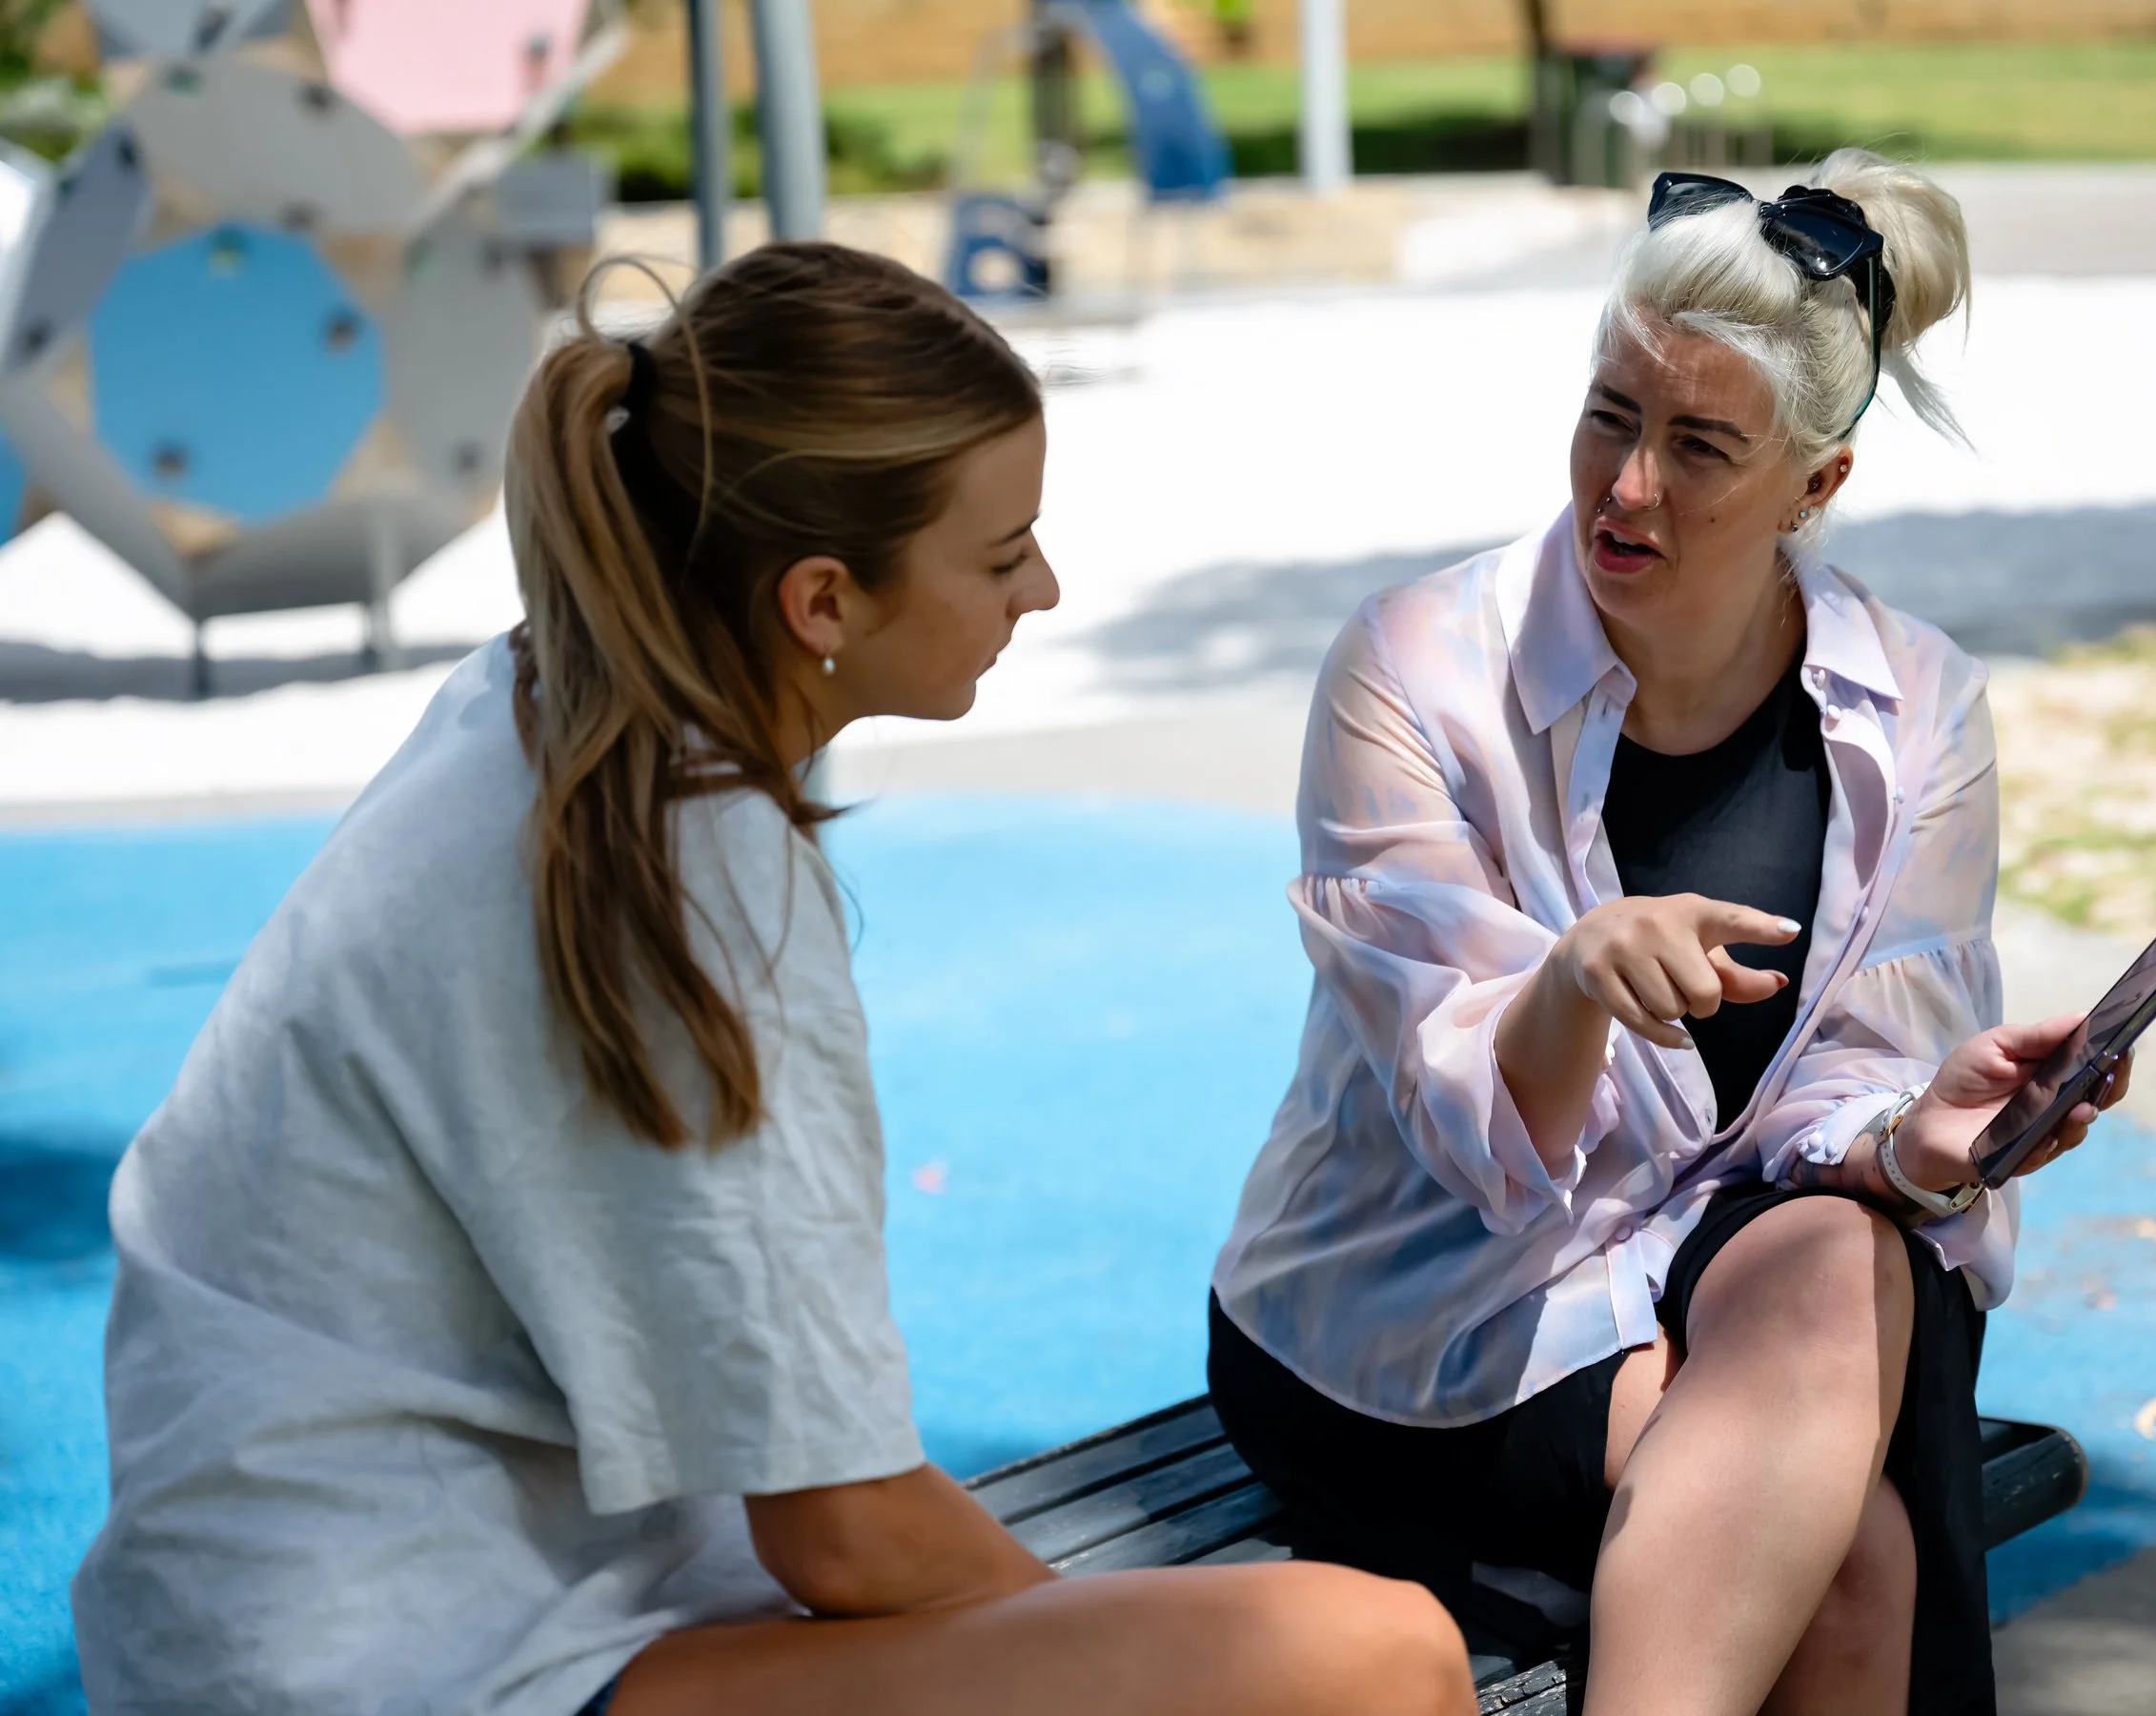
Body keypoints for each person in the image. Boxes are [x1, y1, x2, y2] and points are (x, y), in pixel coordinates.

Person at [71, 243, 1476, 1716]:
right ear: (821, 600)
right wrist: (1115, 1662)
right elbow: (843, 1527)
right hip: (416, 1669)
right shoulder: (690, 868)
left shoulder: (540, 708)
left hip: (322, 1636)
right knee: (1365, 1663)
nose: (1041, 590)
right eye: (1001, 557)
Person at [1207, 152, 2132, 1716]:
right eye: (1610, 416)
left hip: (1739, 1289)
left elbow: (1843, 1108)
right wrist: (1569, 982)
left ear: (1816, 486)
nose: (1628, 487)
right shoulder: (1412, 668)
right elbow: (1472, 1148)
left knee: (1855, 1248)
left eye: (1701, 446)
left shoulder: (1921, 713)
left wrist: (1923, 1138)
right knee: (1855, 1554)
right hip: (1416, 1317)